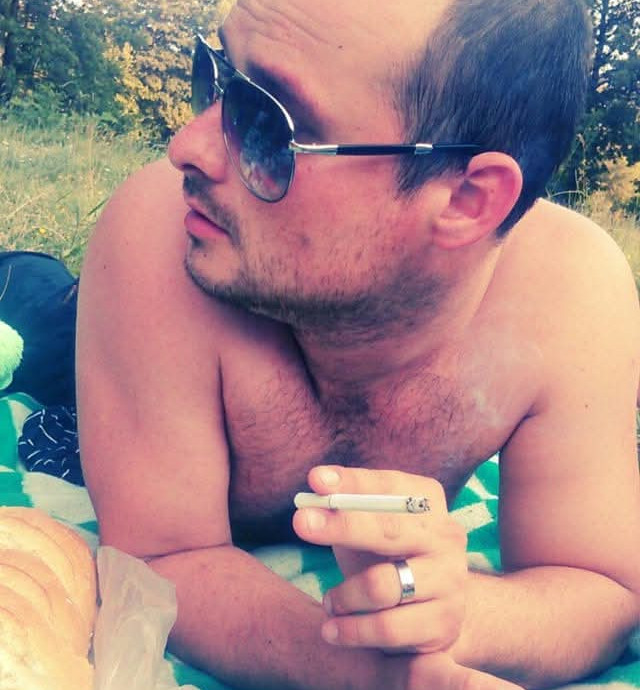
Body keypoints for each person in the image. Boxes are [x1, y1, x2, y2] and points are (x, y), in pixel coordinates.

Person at [75, 0, 640, 689]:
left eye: (269, 122)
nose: (186, 148)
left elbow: (601, 586)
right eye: (215, 73)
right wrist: (373, 672)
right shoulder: (162, 232)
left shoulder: (569, 296)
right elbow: (159, 557)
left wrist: (459, 617)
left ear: (465, 200)